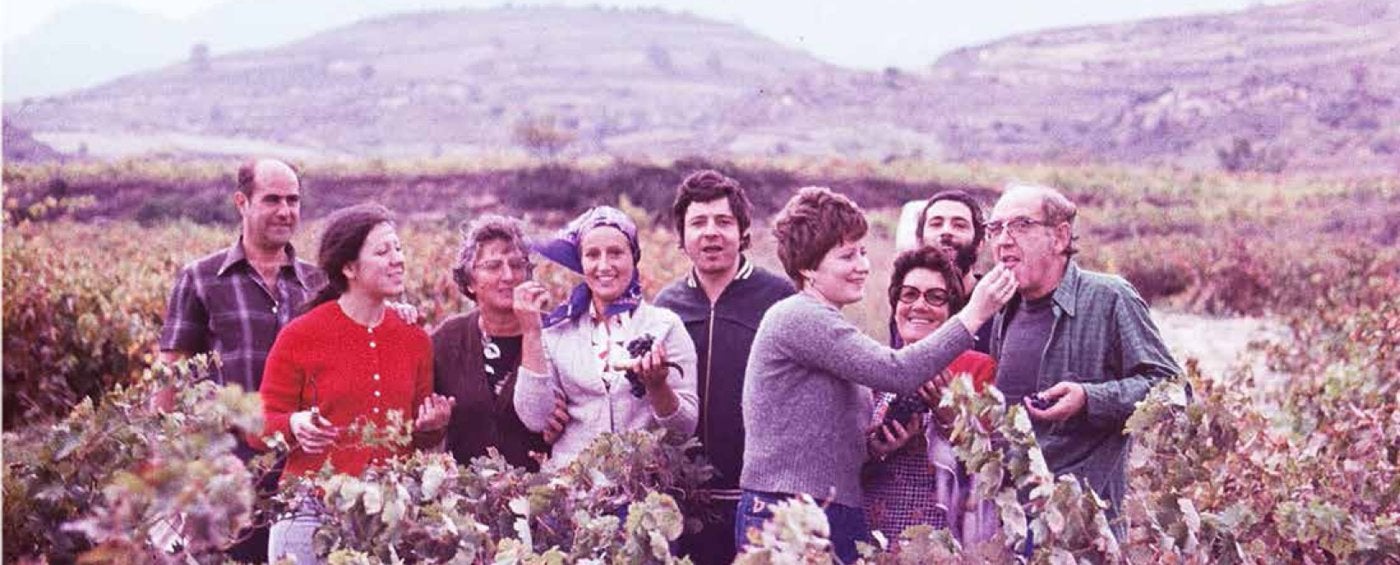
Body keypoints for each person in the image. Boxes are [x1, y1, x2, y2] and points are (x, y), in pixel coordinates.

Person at [736, 186, 1016, 563]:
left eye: (863, 252)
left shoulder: (823, 322)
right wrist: (974, 314)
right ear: (807, 267)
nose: (862, 265)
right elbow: (897, 371)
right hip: (792, 511)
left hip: (823, 508)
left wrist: (872, 448)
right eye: (847, 256)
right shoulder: (799, 317)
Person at [255, 203, 455, 564]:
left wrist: (432, 427)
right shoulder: (301, 335)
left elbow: (413, 439)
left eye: (398, 248)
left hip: (389, 517)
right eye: (382, 251)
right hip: (310, 511)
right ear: (349, 268)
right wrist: (293, 424)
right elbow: (259, 427)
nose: (397, 259)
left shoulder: (414, 338)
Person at [985, 183, 1180, 530]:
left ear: (1060, 237)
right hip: (1013, 525)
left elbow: (1173, 390)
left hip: (1085, 531)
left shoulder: (1110, 298)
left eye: (1021, 225)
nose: (1004, 239)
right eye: (995, 228)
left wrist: (1089, 398)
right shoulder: (1002, 310)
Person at [158, 158, 323, 560]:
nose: (285, 211)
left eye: (293, 200)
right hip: (228, 468)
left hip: (303, 468)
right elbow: (171, 378)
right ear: (242, 202)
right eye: (272, 200)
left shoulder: (320, 284)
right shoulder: (201, 278)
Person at [653, 170, 795, 565]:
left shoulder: (779, 299)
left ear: (743, 231)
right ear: (682, 236)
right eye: (698, 223)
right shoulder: (665, 307)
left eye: (723, 221)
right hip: (685, 500)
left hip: (760, 497)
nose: (711, 233)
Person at [512, 206, 699, 472]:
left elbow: (684, 429)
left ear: (634, 258)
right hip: (573, 484)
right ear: (581, 262)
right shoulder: (557, 331)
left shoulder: (665, 326)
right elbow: (535, 418)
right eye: (592, 255)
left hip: (644, 487)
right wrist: (531, 332)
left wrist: (658, 387)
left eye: (615, 253)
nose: (604, 265)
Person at [862, 246, 998, 544]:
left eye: (935, 297)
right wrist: (875, 449)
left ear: (952, 311)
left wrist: (952, 423)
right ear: (895, 305)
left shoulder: (977, 369)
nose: (919, 305)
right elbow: (843, 465)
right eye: (909, 294)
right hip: (874, 537)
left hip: (944, 541)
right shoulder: (872, 370)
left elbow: (990, 470)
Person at [432, 214, 564, 472]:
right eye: (493, 266)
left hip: (541, 492)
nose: (508, 276)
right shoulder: (447, 340)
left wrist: (565, 429)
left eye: (517, 265)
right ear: (470, 281)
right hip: (464, 493)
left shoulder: (557, 334)